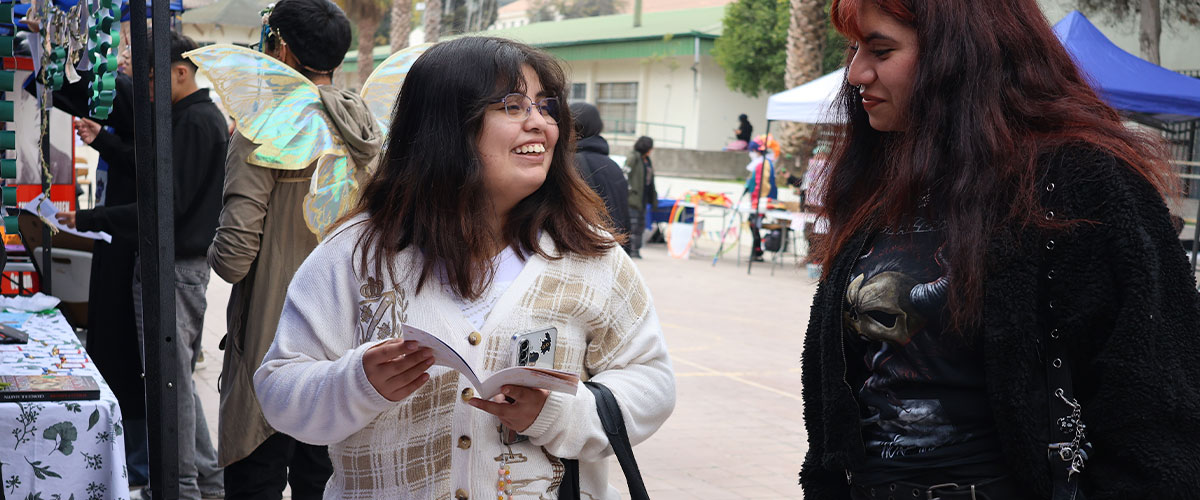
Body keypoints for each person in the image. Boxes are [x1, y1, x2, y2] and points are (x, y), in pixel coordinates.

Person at [800, 1, 1200, 499]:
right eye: (854, 49)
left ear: (961, 54)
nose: (856, 73)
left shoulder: (1078, 180)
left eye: (880, 50)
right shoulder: (883, 182)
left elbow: (1157, 401)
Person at [253, 36, 675, 499]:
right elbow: (279, 389)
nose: (539, 123)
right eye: (512, 106)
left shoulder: (590, 254)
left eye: (545, 106)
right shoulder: (357, 253)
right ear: (445, 125)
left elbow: (651, 380)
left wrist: (559, 415)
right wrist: (357, 383)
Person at [202, 0, 383, 497]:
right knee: (323, 482)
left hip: (273, 339)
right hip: (347, 340)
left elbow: (233, 259)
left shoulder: (266, 126)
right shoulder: (369, 127)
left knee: (256, 480)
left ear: (280, 48)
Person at [57, 30, 228, 500]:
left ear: (180, 72)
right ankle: (206, 481)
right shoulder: (186, 118)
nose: (143, 87)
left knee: (170, 385)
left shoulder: (197, 122)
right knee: (174, 382)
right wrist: (104, 144)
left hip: (174, 270)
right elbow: (150, 175)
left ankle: (182, 486)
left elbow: (163, 207)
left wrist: (88, 219)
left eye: (148, 77)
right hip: (169, 266)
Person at [568, 102, 630, 250]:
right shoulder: (613, 166)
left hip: (586, 249)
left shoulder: (570, 164)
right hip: (614, 248)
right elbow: (624, 214)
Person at [743, 137, 777, 262]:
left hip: (761, 201)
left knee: (754, 224)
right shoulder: (763, 163)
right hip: (760, 200)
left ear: (756, 151)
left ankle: (757, 251)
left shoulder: (762, 164)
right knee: (753, 224)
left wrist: (756, 201)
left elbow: (762, 185)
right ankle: (757, 250)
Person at [624, 136, 656, 258]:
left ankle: (636, 250)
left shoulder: (647, 160)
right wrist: (630, 191)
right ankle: (631, 250)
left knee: (640, 226)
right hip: (633, 199)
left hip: (643, 198)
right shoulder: (633, 157)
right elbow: (625, 175)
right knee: (633, 225)